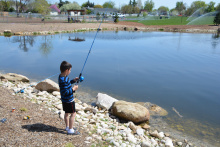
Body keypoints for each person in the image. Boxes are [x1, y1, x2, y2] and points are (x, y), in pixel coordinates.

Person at [58, 61, 80, 135]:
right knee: (73, 114)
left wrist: (73, 81)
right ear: (67, 70)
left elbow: (67, 84)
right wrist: (73, 89)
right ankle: (70, 130)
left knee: (67, 113)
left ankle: (67, 127)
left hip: (64, 100)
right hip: (69, 100)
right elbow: (66, 92)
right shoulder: (63, 80)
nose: (70, 71)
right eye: (70, 70)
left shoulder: (62, 77)